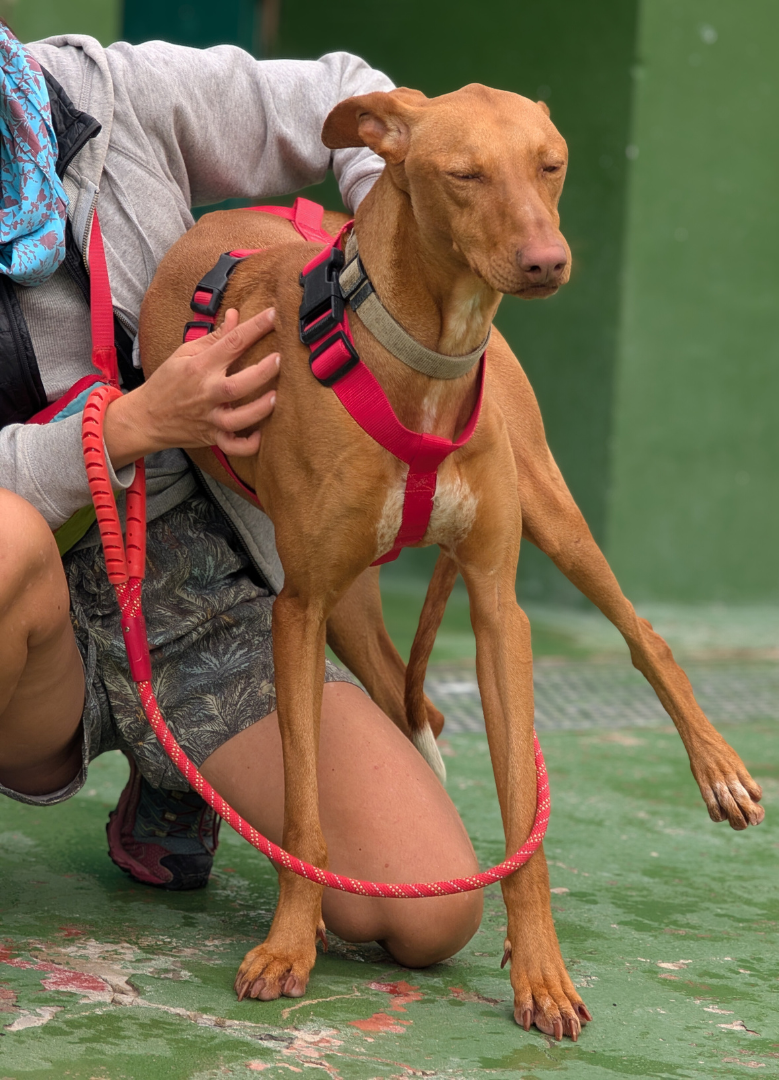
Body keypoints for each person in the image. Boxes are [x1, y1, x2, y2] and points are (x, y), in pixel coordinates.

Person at [0, 27, 483, 988]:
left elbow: (356, 96)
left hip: (204, 588)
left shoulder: (102, 96)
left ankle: (177, 777)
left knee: (429, 912)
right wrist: (128, 425)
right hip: (30, 620)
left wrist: (389, 270)